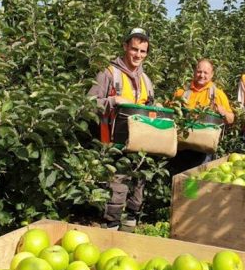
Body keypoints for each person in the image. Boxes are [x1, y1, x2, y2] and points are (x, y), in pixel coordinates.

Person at [87, 27, 155, 232]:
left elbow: (149, 108)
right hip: (113, 144)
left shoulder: (146, 80)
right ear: (125, 47)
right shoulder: (109, 73)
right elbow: (88, 104)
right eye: (134, 49)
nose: (138, 55)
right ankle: (110, 233)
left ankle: (128, 235)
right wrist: (112, 100)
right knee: (115, 192)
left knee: (136, 193)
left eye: (142, 51)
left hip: (139, 147)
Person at [169, 59, 235, 174]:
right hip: (182, 146)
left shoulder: (217, 94)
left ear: (212, 74)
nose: (202, 75)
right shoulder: (182, 92)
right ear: (194, 71)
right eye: (199, 72)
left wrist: (223, 112)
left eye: (206, 73)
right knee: (179, 178)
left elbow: (231, 119)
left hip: (204, 149)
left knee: (198, 178)